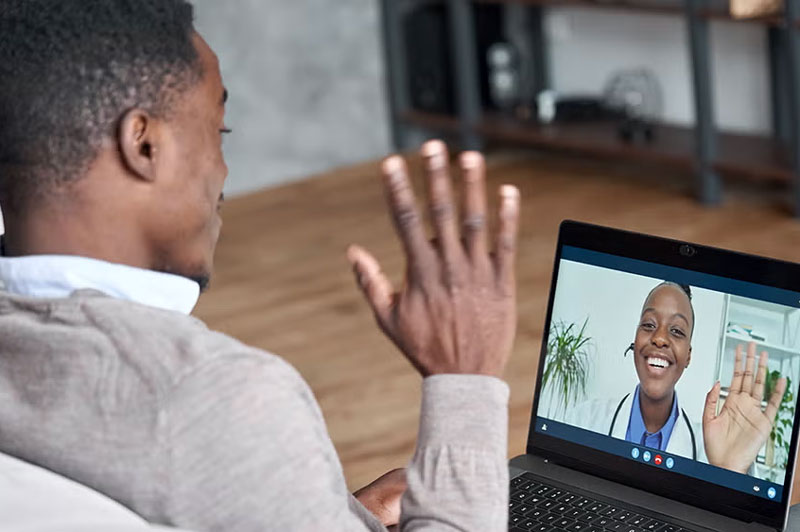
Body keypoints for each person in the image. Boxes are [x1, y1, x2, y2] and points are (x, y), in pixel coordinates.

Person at [0, 1, 521, 531]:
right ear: (144, 143)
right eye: (217, 133)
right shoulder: (214, 395)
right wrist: (463, 375)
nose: (224, 170)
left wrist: (335, 515)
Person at [566, 281, 786, 475]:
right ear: (635, 338)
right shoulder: (584, 419)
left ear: (688, 355)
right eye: (649, 325)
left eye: (677, 331)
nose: (660, 338)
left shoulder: (710, 450)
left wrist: (729, 473)